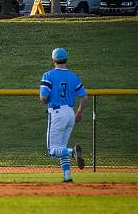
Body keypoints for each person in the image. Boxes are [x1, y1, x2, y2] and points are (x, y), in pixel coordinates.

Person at [39, 47, 88, 182]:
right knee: (61, 147)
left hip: (57, 112)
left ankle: (72, 152)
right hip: (70, 113)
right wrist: (79, 112)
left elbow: (43, 98)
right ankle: (67, 177)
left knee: (52, 150)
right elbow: (84, 97)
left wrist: (46, 99)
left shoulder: (48, 75)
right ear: (66, 59)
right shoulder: (73, 76)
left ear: (53, 60)